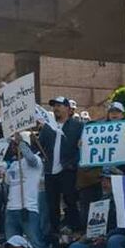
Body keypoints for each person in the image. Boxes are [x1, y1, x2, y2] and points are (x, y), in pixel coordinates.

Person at [39, 96, 85, 236]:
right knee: (52, 204)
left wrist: (74, 162)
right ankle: (54, 231)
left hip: (67, 169)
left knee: (70, 200)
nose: (56, 108)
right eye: (54, 106)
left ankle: (74, 227)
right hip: (50, 171)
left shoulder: (77, 126)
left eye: (59, 105)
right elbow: (40, 146)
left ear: (67, 108)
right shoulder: (48, 127)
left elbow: (83, 147)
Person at [3, 133, 48, 248]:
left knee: (36, 243)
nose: (14, 147)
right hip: (11, 209)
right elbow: (7, 184)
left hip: (27, 207)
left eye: (16, 145)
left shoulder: (36, 161)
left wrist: (21, 142)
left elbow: (30, 158)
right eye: (14, 145)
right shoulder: (13, 165)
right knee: (12, 244)